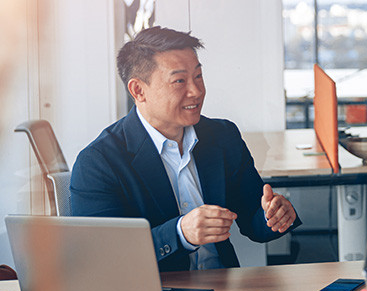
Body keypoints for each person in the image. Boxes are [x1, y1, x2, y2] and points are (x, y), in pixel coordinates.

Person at [71, 26, 301, 271]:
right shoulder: (98, 162)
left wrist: (273, 216)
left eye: (198, 76)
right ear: (138, 90)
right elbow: (104, 256)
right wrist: (180, 233)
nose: (196, 91)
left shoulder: (223, 137)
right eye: (179, 81)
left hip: (225, 290)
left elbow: (253, 217)